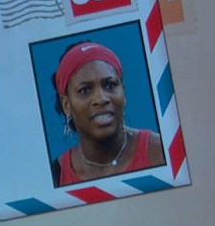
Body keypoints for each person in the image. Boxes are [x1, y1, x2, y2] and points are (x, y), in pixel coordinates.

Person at [50, 41, 165, 186]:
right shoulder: (57, 175)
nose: (101, 98)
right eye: (85, 90)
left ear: (123, 92)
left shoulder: (160, 150)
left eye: (110, 85)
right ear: (66, 104)